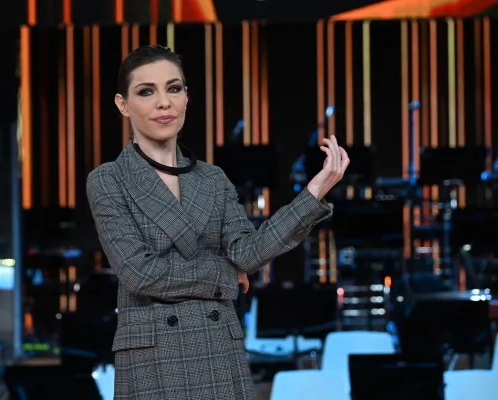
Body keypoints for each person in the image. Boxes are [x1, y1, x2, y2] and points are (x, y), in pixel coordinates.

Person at [86, 44, 349, 400]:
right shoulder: (109, 180)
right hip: (153, 358)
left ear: (186, 97)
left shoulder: (212, 179)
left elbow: (248, 253)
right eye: (146, 91)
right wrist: (225, 274)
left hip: (217, 351)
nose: (164, 102)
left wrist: (314, 193)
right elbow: (141, 274)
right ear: (123, 104)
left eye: (173, 88)